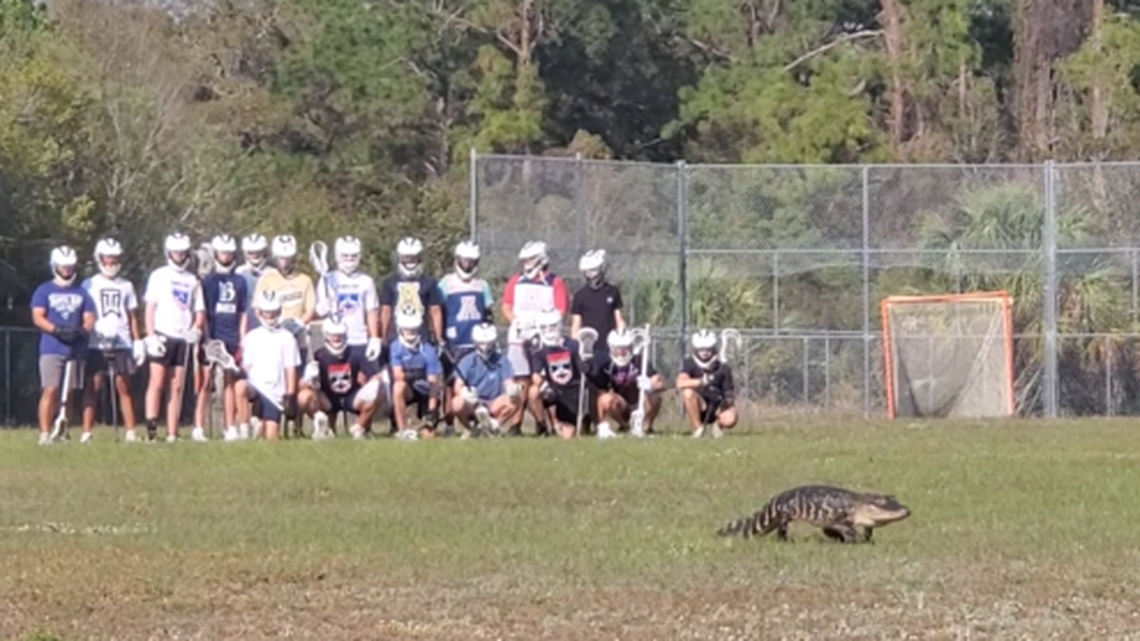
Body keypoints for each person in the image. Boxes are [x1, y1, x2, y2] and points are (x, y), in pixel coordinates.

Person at [142, 233, 206, 443]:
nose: (179, 256)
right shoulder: (158, 276)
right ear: (169, 253)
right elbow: (150, 308)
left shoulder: (192, 280)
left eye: (182, 253)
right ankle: (151, 429)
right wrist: (150, 336)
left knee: (176, 385)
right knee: (157, 382)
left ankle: (172, 432)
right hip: (162, 335)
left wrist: (196, 329)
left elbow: (199, 310)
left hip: (182, 338)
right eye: (175, 252)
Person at [80, 238, 145, 443]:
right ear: (99, 259)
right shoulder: (89, 284)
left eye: (115, 258)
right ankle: (87, 431)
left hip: (122, 341)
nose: (112, 263)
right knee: (93, 386)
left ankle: (131, 431)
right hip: (96, 342)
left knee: (124, 386)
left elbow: (132, 315)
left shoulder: (126, 285)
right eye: (108, 258)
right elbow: (84, 313)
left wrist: (138, 341)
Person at [502, 241, 569, 435]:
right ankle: (516, 424)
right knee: (521, 382)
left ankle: (554, 424)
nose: (527, 264)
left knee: (544, 383)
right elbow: (506, 306)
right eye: (525, 260)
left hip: (544, 340)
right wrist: (517, 323)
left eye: (530, 259)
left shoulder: (555, 283)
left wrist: (542, 329)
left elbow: (561, 311)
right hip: (518, 338)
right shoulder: (516, 280)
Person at [30, 246, 96, 445]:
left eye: (69, 267)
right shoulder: (44, 290)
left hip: (75, 348)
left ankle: (62, 430)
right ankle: (44, 432)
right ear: (54, 266)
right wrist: (57, 330)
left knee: (68, 393)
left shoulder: (82, 292)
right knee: (50, 389)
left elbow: (90, 317)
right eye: (63, 267)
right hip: (52, 348)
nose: (67, 270)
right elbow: (37, 317)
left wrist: (82, 331)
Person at [194, 234, 249, 442]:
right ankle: (198, 426)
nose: (226, 256)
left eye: (229, 253)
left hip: (232, 337)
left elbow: (243, 311)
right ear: (216, 253)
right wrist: (207, 339)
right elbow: (204, 311)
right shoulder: (209, 281)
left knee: (229, 382)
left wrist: (242, 337)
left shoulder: (240, 281)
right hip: (212, 338)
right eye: (222, 252)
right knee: (206, 382)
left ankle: (229, 426)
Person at [436, 240, 494, 429]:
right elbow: (437, 312)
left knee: (475, 382)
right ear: (457, 260)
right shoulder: (447, 283)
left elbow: (487, 314)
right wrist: (440, 337)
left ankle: (477, 420)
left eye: (471, 261)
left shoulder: (482, 285)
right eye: (464, 261)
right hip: (454, 342)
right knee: (450, 384)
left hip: (477, 342)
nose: (468, 265)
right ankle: (449, 423)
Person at [298, 314, 385, 440]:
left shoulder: (356, 353)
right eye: (333, 335)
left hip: (351, 397)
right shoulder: (318, 356)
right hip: (327, 398)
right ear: (326, 334)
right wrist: (309, 377)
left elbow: (376, 375)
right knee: (303, 396)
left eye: (339, 335)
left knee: (379, 391)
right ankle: (324, 427)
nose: (336, 338)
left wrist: (374, 384)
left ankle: (359, 428)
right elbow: (302, 386)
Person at [236, 290, 301, 441]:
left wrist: (290, 396)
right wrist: (239, 373)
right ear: (259, 312)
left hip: (275, 396)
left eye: (273, 312)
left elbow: (290, 368)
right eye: (266, 313)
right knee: (240, 386)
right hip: (256, 389)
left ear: (278, 311)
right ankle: (245, 430)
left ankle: (259, 424)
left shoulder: (287, 338)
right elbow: (247, 366)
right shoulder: (252, 336)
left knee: (271, 439)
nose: (270, 316)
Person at [314, 235, 381, 366]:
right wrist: (323, 307)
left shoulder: (366, 281)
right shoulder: (328, 279)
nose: (349, 259)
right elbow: (319, 311)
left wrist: (374, 338)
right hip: (334, 340)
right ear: (338, 256)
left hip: (359, 340)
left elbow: (371, 312)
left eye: (353, 256)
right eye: (345, 256)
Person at [450, 322, 523, 437]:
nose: (486, 347)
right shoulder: (467, 361)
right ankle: (471, 430)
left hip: (494, 403)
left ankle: (494, 427)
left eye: (489, 343)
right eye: (482, 343)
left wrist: (513, 389)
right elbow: (458, 386)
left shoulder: (502, 360)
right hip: (474, 403)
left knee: (516, 400)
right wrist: (465, 393)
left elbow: (508, 383)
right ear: (476, 343)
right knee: (456, 403)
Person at [589, 327, 663, 439]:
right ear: (611, 347)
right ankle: (625, 426)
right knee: (605, 399)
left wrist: (650, 385)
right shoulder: (606, 364)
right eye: (617, 349)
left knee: (655, 397)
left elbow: (660, 382)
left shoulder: (639, 360)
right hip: (622, 405)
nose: (621, 353)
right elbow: (600, 394)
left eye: (624, 349)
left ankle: (645, 426)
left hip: (641, 403)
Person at [528, 309, 586, 440]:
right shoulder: (539, 350)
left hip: (572, 392)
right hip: (553, 390)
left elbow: (582, 369)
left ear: (559, 325)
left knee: (568, 436)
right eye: (544, 327)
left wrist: (584, 365)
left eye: (552, 326)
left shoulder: (573, 345)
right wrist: (544, 387)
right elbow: (535, 374)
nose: (549, 330)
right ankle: (543, 427)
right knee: (533, 391)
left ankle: (567, 424)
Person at [379, 236, 444, 346]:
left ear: (419, 258)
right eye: (406, 258)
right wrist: (383, 337)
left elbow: (435, 311)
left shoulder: (429, 282)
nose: (410, 261)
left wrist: (438, 338)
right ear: (400, 258)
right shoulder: (389, 282)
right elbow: (386, 311)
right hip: (395, 339)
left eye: (413, 258)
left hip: (422, 338)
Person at [387, 312, 443, 439]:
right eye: (406, 328)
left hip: (425, 392)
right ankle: (403, 431)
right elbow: (398, 376)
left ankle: (423, 423)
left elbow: (433, 383)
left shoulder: (428, 349)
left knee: (428, 436)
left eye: (413, 328)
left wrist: (431, 411)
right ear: (400, 328)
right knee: (398, 387)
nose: (410, 331)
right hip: (409, 389)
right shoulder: (395, 347)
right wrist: (417, 374)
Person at [676, 329, 739, 438]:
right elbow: (680, 383)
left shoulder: (723, 368)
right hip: (700, 405)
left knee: (731, 418)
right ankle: (698, 429)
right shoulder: (689, 363)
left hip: (717, 405)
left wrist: (726, 404)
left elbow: (729, 393)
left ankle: (717, 425)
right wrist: (702, 381)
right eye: (701, 349)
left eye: (708, 349)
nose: (704, 352)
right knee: (688, 392)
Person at [569, 249, 625, 360]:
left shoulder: (613, 292)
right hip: (588, 350)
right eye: (587, 272)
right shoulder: (580, 296)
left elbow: (619, 319)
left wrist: (621, 336)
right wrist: (576, 346)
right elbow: (576, 325)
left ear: (602, 269)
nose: (590, 275)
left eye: (593, 271)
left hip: (610, 346)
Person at [236, 233, 269, 331]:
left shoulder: (272, 273)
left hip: (268, 324)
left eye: (258, 252)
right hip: (245, 326)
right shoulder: (239, 273)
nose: (255, 255)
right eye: (251, 252)